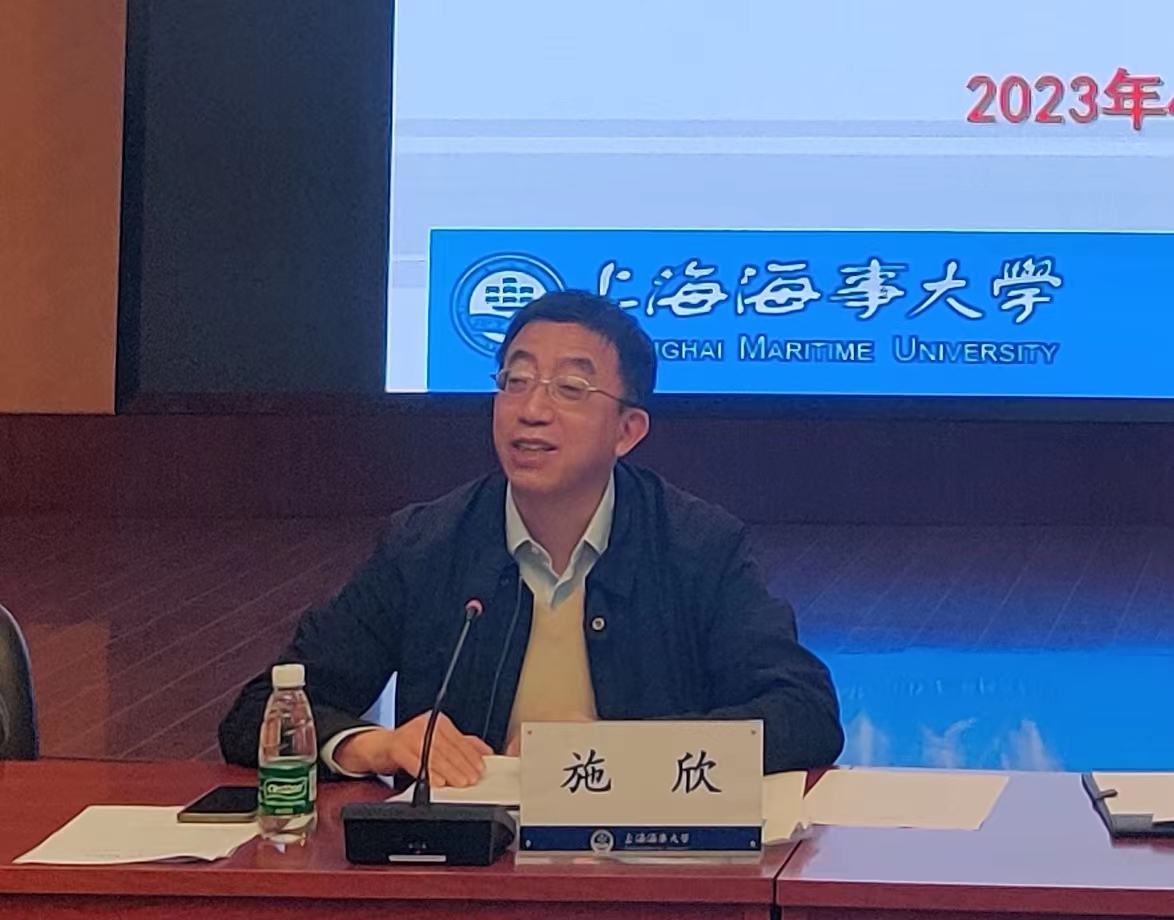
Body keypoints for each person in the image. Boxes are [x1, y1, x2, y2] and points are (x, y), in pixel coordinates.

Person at [219, 291, 843, 783]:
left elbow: (805, 713)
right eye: (515, 381)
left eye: (570, 389)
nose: (531, 410)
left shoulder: (697, 547)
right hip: (471, 870)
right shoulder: (426, 544)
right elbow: (260, 713)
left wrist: (622, 750)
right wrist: (376, 746)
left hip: (644, 864)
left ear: (627, 431)